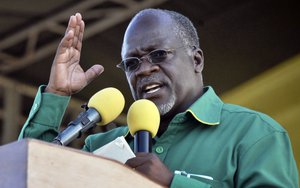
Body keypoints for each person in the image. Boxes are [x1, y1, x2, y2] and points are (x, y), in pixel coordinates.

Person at [18, 9, 298, 187]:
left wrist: (172, 184)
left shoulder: (254, 134)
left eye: (159, 55)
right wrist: (57, 94)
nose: (145, 69)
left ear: (196, 60)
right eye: (131, 63)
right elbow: (27, 178)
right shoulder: (100, 146)